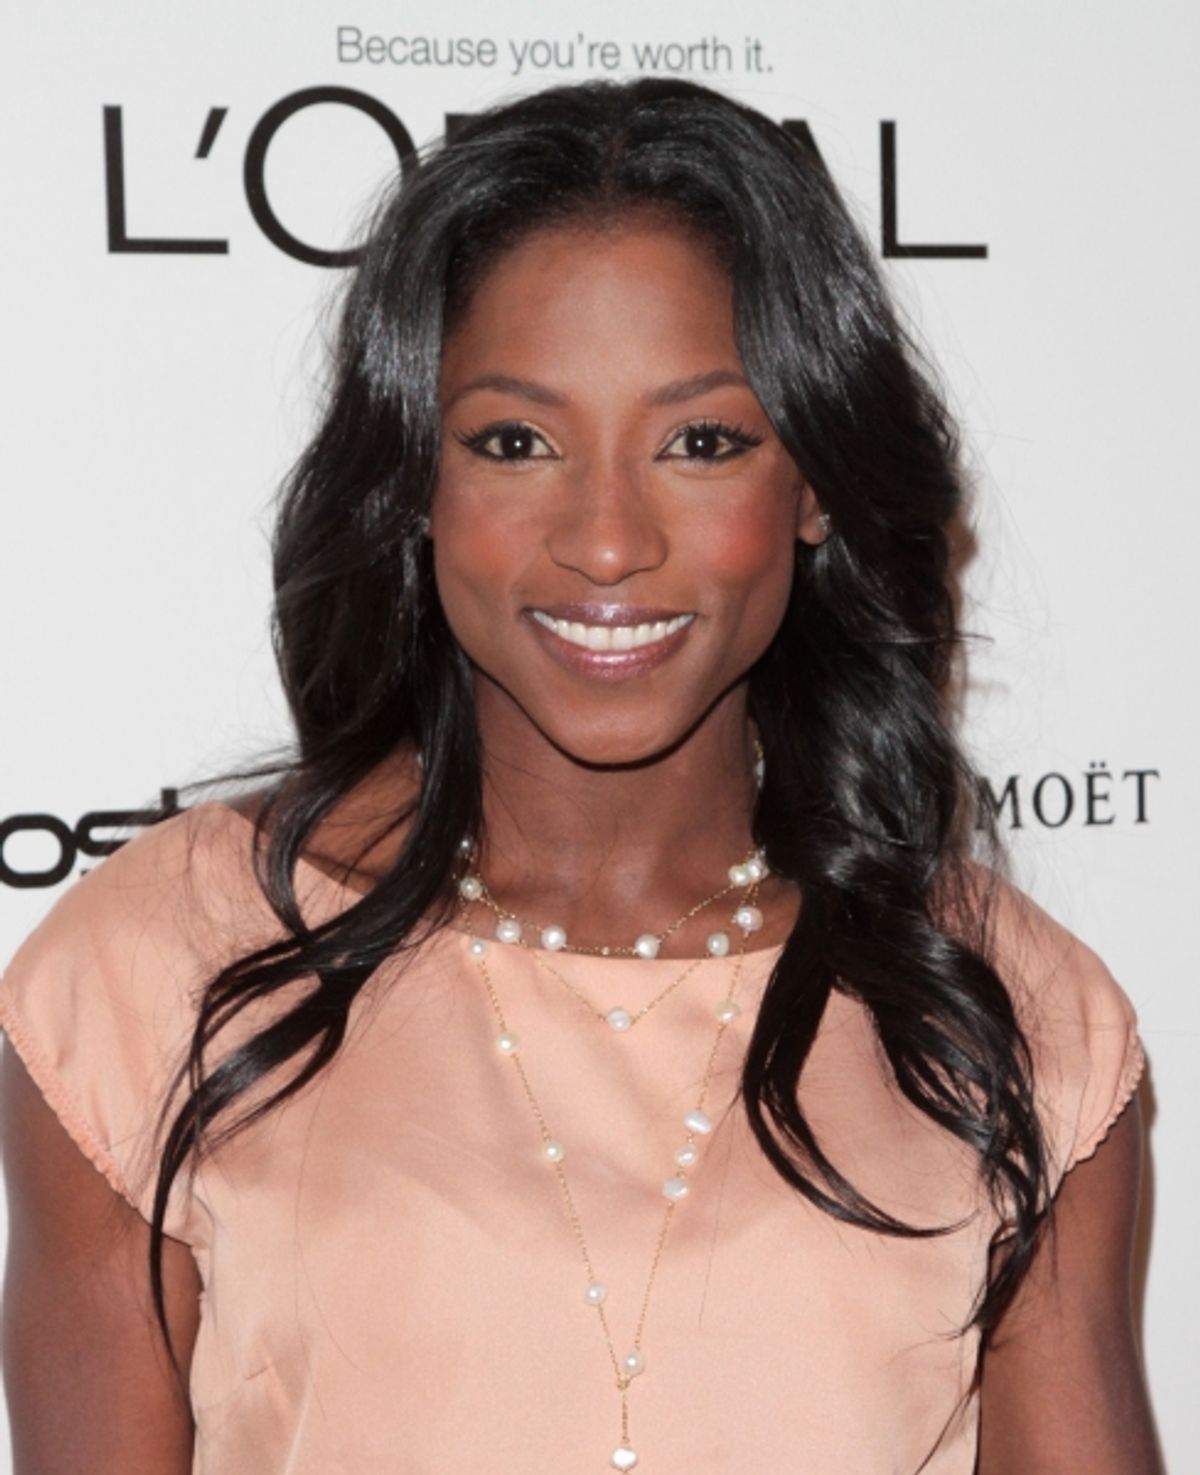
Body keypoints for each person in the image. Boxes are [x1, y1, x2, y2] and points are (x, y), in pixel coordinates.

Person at [0, 77, 1161, 1475]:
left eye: (702, 442)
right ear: (413, 482)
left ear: (815, 487)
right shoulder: (156, 978)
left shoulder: (1015, 1022)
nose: (605, 543)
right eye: (514, 442)